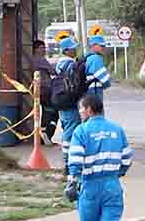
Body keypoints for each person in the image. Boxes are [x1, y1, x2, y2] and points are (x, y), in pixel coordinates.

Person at [65, 94, 133, 221]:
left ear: (88, 109)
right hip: (112, 185)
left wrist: (72, 182)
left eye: (81, 109)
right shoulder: (117, 130)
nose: (79, 113)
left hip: (90, 186)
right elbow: (127, 158)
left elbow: (76, 160)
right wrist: (118, 173)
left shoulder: (81, 131)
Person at [55, 37, 83, 169]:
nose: (75, 50)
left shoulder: (59, 64)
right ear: (66, 51)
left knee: (67, 127)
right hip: (70, 101)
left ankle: (67, 159)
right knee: (71, 131)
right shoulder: (69, 64)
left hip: (61, 101)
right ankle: (68, 162)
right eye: (73, 48)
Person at [30, 40, 58, 144]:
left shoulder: (32, 59)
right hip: (45, 90)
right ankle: (46, 134)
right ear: (36, 49)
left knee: (45, 112)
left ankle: (44, 135)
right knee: (52, 112)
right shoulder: (40, 59)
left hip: (38, 91)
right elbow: (53, 71)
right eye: (42, 48)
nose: (44, 50)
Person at [85, 35, 112, 102]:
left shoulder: (87, 57)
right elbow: (104, 79)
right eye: (101, 46)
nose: (103, 48)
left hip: (87, 90)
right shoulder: (96, 58)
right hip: (95, 90)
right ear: (94, 46)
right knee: (98, 111)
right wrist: (107, 84)